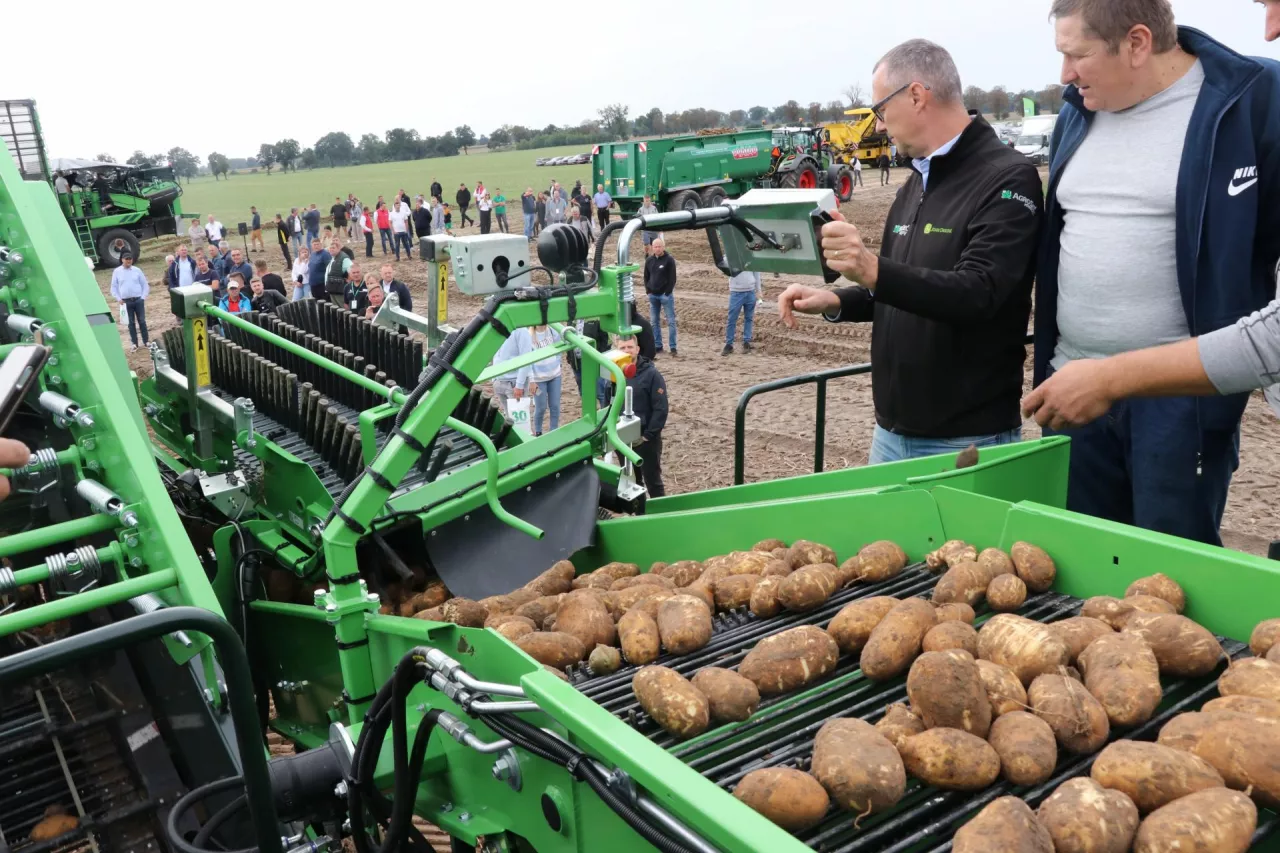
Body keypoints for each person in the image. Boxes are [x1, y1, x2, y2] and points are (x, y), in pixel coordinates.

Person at [1019, 0, 1280, 546]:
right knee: (1080, 572)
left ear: (1137, 43)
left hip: (1180, 405)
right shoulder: (1077, 111)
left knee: (1167, 585)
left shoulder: (1253, 99)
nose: (1064, 74)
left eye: (1077, 55)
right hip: (1073, 389)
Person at [777, 38, 1042, 465]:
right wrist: (836, 299)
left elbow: (979, 293)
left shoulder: (1007, 179)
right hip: (890, 435)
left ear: (917, 95)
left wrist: (870, 268)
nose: (879, 125)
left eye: (881, 110)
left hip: (966, 442)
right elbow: (903, 284)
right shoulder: (914, 182)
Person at [616, 335, 667, 498]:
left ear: (637, 349)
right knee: (632, 483)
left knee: (653, 481)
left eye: (630, 347)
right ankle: (640, 516)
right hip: (622, 438)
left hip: (645, 440)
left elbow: (661, 408)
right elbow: (607, 403)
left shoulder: (652, 375)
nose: (627, 351)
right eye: (622, 348)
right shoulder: (613, 375)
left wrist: (648, 435)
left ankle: (662, 515)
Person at [517, 324, 564, 436]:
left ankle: (554, 431)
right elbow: (527, 361)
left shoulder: (553, 331)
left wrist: (558, 363)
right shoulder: (529, 335)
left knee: (555, 406)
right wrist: (532, 380)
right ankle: (538, 432)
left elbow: (560, 348)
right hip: (539, 379)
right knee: (541, 407)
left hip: (555, 375)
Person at [644, 238, 678, 356]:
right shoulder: (649, 260)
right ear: (652, 247)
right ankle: (658, 345)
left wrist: (667, 293)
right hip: (653, 296)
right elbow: (646, 276)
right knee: (654, 322)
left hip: (665, 296)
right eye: (655, 246)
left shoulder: (669, 260)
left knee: (671, 322)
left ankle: (673, 347)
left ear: (663, 247)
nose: (657, 248)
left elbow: (672, 278)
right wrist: (648, 291)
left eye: (659, 246)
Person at [490, 327, 534, 416]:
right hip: (499, 382)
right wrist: (494, 379)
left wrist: (519, 385)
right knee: (509, 419)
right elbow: (496, 354)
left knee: (520, 422)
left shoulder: (522, 331)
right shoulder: (497, 328)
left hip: (514, 385)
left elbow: (526, 359)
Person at [110, 252, 149, 352]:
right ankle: (134, 343)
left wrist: (143, 297)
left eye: (130, 259)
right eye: (126, 259)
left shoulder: (137, 270)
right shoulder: (117, 272)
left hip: (138, 299)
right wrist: (118, 298)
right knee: (130, 323)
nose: (128, 261)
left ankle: (146, 341)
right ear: (122, 259)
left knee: (142, 321)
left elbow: (144, 284)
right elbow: (114, 287)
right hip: (126, 302)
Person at [723, 268, 762, 356]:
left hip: (750, 292)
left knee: (749, 318)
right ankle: (729, 344)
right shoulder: (730, 256)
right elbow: (725, 269)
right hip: (736, 292)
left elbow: (756, 273)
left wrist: (758, 291)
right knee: (732, 319)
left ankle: (746, 342)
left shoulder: (750, 256)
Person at [325, 238, 356, 305]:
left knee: (343, 309)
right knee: (336, 310)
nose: (331, 249)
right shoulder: (333, 258)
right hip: (333, 289)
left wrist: (349, 281)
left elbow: (353, 270)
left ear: (339, 248)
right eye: (330, 248)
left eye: (333, 248)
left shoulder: (344, 258)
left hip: (340, 290)